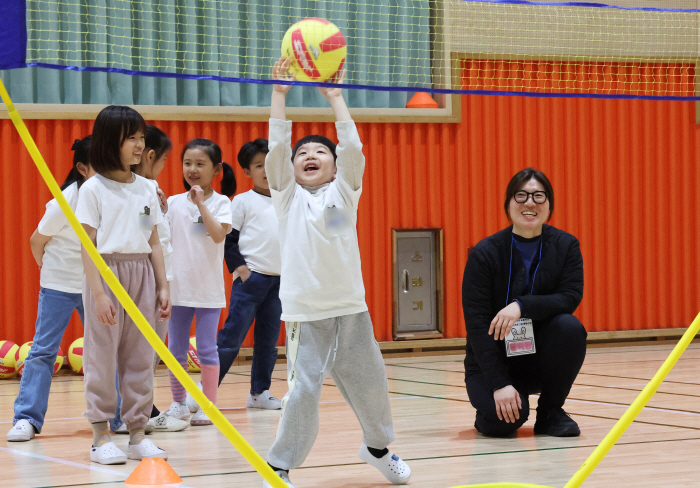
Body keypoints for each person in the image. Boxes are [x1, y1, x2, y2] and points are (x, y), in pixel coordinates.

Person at [262, 58, 411, 488]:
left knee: (372, 385)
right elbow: (275, 151)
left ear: (332, 165)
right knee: (304, 393)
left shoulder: (345, 194)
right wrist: (278, 95)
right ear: (291, 168)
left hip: (350, 308)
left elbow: (354, 151)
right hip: (306, 315)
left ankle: (378, 448)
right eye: (302, 153)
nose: (310, 156)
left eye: (320, 152)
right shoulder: (286, 199)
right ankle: (279, 465)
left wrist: (336, 99)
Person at [76, 105, 170, 464]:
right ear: (108, 141)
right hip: (107, 273)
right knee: (101, 358)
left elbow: (155, 241)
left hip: (142, 272)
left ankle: (137, 433)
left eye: (141, 137)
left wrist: (163, 286)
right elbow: (87, 245)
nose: (138, 145)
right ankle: (101, 436)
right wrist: (99, 293)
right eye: (130, 137)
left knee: (141, 359)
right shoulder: (93, 189)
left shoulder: (148, 187)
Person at [461, 167, 586, 438]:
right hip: (493, 361)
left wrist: (521, 305)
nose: (530, 203)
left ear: (549, 205)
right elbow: (477, 325)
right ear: (508, 204)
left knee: (570, 327)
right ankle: (489, 410)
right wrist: (498, 384)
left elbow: (570, 296)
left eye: (539, 196)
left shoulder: (566, 246)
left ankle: (551, 412)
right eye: (521, 195)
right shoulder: (484, 254)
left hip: (538, 358)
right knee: (504, 423)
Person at [7, 137, 95, 442]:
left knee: (105, 352)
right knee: (43, 351)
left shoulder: (111, 195)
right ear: (83, 168)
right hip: (59, 285)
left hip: (95, 285)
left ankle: (116, 413)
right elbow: (36, 241)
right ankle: (26, 418)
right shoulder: (65, 200)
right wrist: (49, 272)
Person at [109, 125, 190, 434]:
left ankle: (141, 411)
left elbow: (156, 235)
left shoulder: (150, 189)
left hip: (159, 281)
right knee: (137, 353)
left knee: (147, 354)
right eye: (165, 159)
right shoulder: (133, 189)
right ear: (152, 156)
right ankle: (130, 415)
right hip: (145, 281)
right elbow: (142, 237)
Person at [164, 138, 234, 426]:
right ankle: (179, 403)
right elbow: (155, 236)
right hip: (177, 289)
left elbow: (218, 235)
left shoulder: (223, 203)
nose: (192, 169)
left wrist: (201, 204)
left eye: (200, 164)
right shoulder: (171, 203)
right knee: (176, 349)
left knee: (207, 348)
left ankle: (208, 405)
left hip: (207, 290)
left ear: (216, 169)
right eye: (187, 163)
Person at [216, 138, 283, 409]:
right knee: (231, 338)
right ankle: (206, 391)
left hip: (278, 283)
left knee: (268, 342)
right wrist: (242, 271)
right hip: (251, 280)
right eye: (258, 165)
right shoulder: (242, 202)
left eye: (270, 164)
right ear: (247, 172)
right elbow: (227, 241)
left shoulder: (287, 200)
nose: (265, 170)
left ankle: (259, 392)